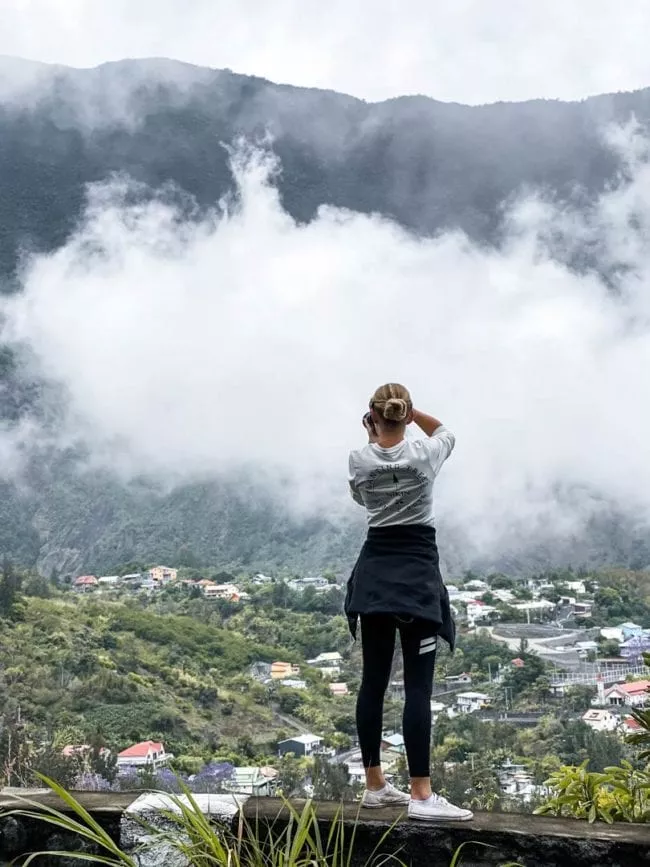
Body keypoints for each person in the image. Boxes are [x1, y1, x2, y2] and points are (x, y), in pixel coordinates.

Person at [345, 382, 472, 822]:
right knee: (417, 687)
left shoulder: (359, 459)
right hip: (416, 575)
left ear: (372, 417)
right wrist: (414, 415)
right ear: (405, 413)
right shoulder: (424, 454)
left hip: (376, 574)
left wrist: (373, 439)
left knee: (373, 683)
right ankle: (421, 795)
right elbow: (447, 431)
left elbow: (362, 496)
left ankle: (375, 785)